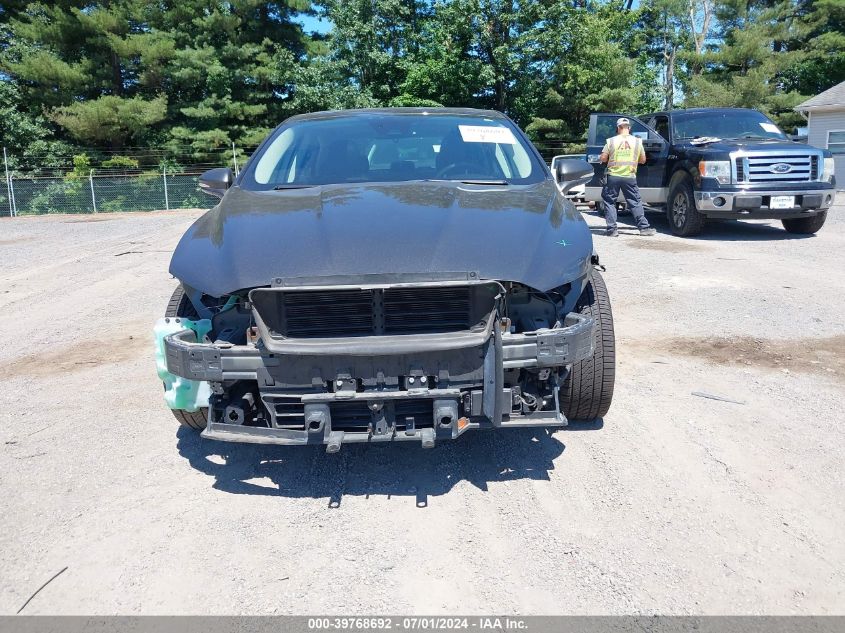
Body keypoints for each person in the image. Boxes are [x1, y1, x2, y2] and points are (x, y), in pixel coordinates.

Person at [599, 117, 656, 237]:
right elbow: (643, 160)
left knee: (610, 202)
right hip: (630, 176)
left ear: (618, 128)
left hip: (613, 175)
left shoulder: (611, 141)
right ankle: (644, 228)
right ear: (629, 128)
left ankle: (612, 230)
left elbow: (603, 158)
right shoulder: (637, 141)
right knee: (635, 201)